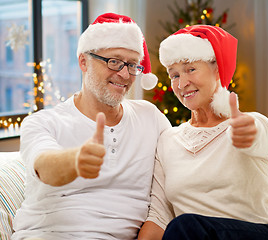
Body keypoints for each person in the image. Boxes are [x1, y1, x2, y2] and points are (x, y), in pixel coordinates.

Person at [12, 13, 171, 240]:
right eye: (114, 61)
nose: (124, 74)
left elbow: (165, 197)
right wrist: (75, 161)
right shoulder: (43, 122)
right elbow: (44, 166)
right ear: (83, 61)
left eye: (132, 65)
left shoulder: (151, 119)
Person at [138, 25, 268, 240]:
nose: (182, 83)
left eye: (190, 69)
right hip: (196, 234)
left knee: (186, 226)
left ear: (217, 69)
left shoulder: (250, 122)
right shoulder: (168, 141)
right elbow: (159, 217)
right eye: (174, 75)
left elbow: (256, 135)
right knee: (185, 227)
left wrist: (246, 134)